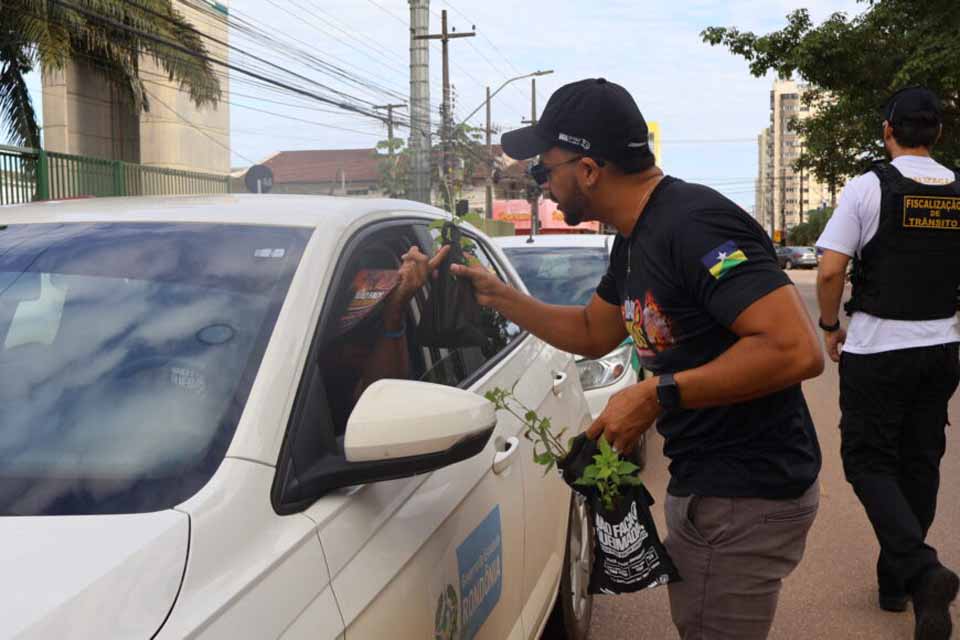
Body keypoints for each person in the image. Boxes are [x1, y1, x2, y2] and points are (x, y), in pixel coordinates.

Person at [452, 78, 824, 639]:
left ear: (588, 169)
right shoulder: (635, 238)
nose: (542, 187)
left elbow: (794, 348)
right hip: (713, 485)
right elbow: (590, 331)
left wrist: (656, 394)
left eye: (544, 170)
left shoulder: (693, 224)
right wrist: (499, 296)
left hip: (746, 492)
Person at [816, 86, 960, 640]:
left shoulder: (867, 187)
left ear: (887, 131)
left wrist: (830, 326)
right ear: (938, 134)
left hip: (877, 349)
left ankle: (922, 572)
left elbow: (830, 270)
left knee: (867, 461)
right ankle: (898, 585)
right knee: (919, 461)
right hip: (940, 349)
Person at [321, 243, 449, 430]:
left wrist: (395, 309)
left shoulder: (389, 331)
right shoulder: (310, 353)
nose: (356, 347)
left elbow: (378, 406)